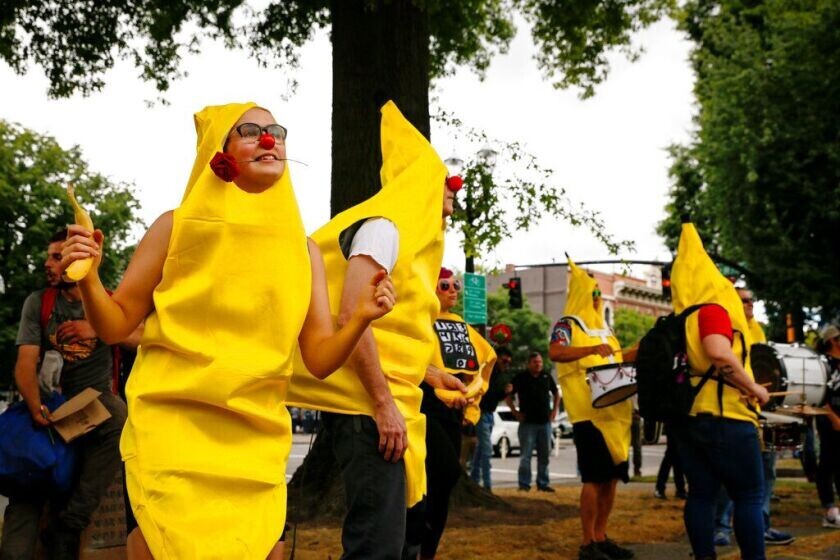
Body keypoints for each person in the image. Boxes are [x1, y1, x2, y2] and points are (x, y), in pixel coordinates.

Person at [60, 102, 396, 560]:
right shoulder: (175, 227)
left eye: (276, 130)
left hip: (254, 442)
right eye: (250, 130)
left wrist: (359, 318)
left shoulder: (305, 253)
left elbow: (317, 358)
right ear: (219, 152)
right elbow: (117, 325)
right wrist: (90, 278)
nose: (269, 138)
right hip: (169, 434)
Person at [285, 101, 456, 559]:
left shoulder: (410, 239)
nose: (452, 196)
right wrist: (382, 404)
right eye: (447, 184)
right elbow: (352, 317)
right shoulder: (384, 228)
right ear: (422, 183)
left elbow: (393, 329)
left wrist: (431, 375)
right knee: (376, 547)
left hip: (390, 403)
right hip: (368, 407)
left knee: (396, 541)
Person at [0, 230, 135, 560]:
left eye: (56, 257)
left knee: (117, 416)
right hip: (48, 408)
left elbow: (143, 336)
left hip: (92, 403)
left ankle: (69, 525)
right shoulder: (40, 301)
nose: (47, 263)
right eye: (49, 256)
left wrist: (100, 326)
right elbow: (25, 363)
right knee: (27, 488)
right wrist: (35, 409)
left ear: (79, 261)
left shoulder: (108, 300)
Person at [668, 221, 770, 560]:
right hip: (728, 419)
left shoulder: (682, 318)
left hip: (690, 421)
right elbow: (718, 354)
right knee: (750, 496)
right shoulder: (713, 311)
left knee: (700, 495)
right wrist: (753, 386)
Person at [549, 257, 635, 560]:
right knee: (593, 479)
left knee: (610, 480)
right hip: (588, 415)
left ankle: (601, 536)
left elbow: (616, 358)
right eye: (594, 293)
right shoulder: (567, 324)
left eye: (600, 294)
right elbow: (556, 352)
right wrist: (590, 349)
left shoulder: (606, 330)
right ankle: (587, 544)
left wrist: (641, 350)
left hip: (616, 416)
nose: (598, 299)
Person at [418, 267, 496, 559]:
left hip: (454, 408)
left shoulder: (461, 325)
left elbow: (487, 359)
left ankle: (427, 550)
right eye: (445, 285)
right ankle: (413, 532)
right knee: (446, 469)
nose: (454, 290)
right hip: (425, 404)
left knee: (444, 485)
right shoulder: (419, 320)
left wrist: (473, 397)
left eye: (457, 285)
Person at [505, 352, 560, 493]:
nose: (539, 364)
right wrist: (515, 412)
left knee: (544, 456)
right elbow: (508, 395)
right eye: (535, 362)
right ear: (529, 363)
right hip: (527, 423)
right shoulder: (521, 377)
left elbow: (556, 393)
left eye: (540, 362)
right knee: (525, 456)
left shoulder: (546, 376)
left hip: (545, 423)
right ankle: (524, 484)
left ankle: (543, 483)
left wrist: (554, 410)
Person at [471, 347, 513, 489]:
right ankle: (487, 485)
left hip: (489, 413)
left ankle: (475, 480)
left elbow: (494, 395)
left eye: (507, 360)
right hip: (481, 413)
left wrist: (505, 393)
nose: (506, 362)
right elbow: (487, 392)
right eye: (504, 359)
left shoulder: (502, 374)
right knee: (487, 449)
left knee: (480, 450)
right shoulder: (489, 371)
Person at [816, 324, 840, 529]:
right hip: (828, 415)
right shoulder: (823, 363)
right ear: (833, 340)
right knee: (828, 460)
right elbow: (819, 394)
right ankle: (829, 509)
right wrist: (833, 417)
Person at [654, 422, 686, 500]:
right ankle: (662, 487)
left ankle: (679, 489)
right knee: (671, 456)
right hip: (674, 424)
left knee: (675, 457)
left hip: (678, 424)